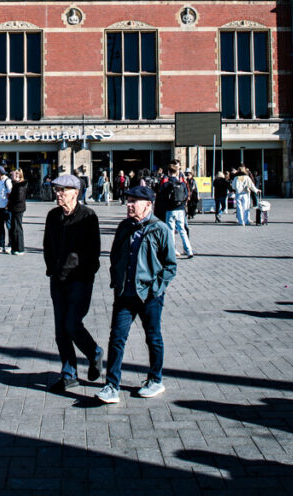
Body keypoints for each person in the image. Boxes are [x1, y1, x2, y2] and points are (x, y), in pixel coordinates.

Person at [97, 185, 177, 404]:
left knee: (153, 337)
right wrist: (116, 280)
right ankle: (111, 385)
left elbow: (170, 265)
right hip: (125, 294)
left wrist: (156, 289)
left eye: (134, 201)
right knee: (117, 338)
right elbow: (114, 255)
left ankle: (155, 379)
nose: (129, 205)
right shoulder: (124, 226)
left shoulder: (160, 229)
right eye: (128, 201)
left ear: (148, 204)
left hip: (149, 295)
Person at [43, 174, 102, 393]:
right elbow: (47, 245)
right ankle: (69, 374)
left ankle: (94, 352)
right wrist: (52, 269)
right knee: (61, 331)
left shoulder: (88, 216)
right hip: (57, 280)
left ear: (75, 193)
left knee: (72, 324)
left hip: (79, 280)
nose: (58, 194)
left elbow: (93, 251)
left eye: (62, 191)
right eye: (56, 190)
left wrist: (84, 274)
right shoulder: (53, 216)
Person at [156, 163, 193, 259]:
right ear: (177, 173)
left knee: (171, 231)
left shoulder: (166, 184)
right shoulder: (182, 184)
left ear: (168, 172)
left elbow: (161, 197)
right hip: (181, 210)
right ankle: (189, 250)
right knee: (182, 230)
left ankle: (172, 251)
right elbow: (186, 196)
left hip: (170, 210)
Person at [8, 168, 28, 255]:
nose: (11, 176)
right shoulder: (16, 184)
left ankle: (20, 248)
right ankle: (14, 247)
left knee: (17, 228)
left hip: (18, 208)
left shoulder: (20, 185)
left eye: (13, 175)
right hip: (15, 208)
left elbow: (19, 198)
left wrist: (10, 198)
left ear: (18, 176)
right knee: (13, 228)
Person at [0, 166, 12, 253]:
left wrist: (8, 205)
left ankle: (11, 245)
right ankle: (1, 245)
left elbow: (11, 193)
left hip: (5, 208)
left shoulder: (7, 181)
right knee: (0, 227)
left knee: (9, 227)